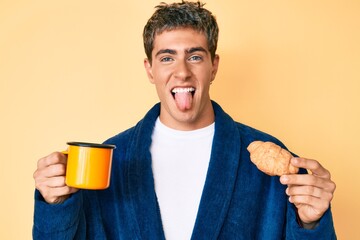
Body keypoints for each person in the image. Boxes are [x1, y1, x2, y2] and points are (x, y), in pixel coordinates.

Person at [33, 1, 337, 239]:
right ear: (150, 70)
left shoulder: (269, 163)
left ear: (214, 66)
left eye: (195, 56)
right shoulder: (110, 159)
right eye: (167, 57)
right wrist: (56, 205)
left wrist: (311, 223)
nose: (181, 72)